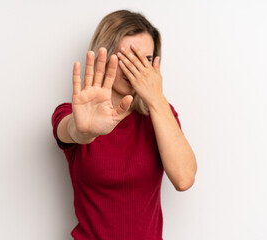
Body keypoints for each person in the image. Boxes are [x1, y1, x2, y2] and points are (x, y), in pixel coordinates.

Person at [51, 9, 197, 240]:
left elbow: (184, 178)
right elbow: (73, 130)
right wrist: (83, 129)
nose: (134, 68)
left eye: (145, 60)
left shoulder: (160, 115)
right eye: (125, 57)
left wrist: (156, 98)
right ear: (105, 55)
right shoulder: (73, 113)